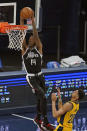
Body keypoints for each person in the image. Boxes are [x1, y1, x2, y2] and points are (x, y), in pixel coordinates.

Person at [20, 13, 54, 131]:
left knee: (41, 98)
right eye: (29, 39)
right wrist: (21, 21)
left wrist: (33, 22)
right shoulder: (24, 50)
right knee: (43, 97)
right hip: (31, 78)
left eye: (32, 38)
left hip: (40, 76)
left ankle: (38, 118)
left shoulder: (39, 48)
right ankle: (45, 122)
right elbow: (22, 35)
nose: (30, 39)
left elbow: (36, 34)